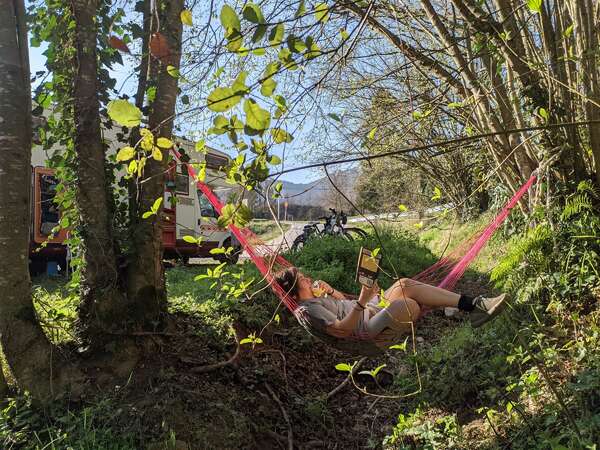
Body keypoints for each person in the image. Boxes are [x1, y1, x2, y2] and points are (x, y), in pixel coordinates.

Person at [274, 267, 506, 351]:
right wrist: (363, 301)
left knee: (404, 284)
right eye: (302, 279)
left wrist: (333, 292)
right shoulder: (307, 310)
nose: (307, 279)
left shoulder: (317, 298)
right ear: (294, 289)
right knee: (408, 305)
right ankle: (464, 307)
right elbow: (342, 331)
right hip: (365, 329)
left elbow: (344, 304)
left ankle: (475, 305)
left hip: (369, 311)